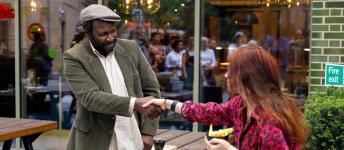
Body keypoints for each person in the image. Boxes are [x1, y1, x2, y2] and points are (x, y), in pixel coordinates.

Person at [144, 45, 308, 149]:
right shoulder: (242, 104)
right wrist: (167, 104)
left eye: (233, 70)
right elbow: (209, 112)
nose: (227, 75)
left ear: (247, 76)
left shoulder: (269, 121)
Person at [63, 4, 162, 150]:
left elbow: (151, 89)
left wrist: (148, 131)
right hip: (97, 140)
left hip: (132, 134)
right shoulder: (74, 57)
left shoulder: (131, 48)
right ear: (88, 32)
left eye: (113, 31)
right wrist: (135, 104)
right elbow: (90, 98)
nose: (110, 38)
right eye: (102, 34)